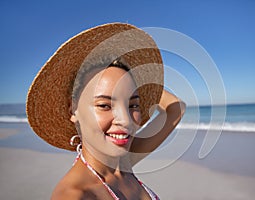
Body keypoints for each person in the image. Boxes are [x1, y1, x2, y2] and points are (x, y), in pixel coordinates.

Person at [26, 23, 185, 200]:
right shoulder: (75, 195)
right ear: (73, 110)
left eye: (133, 105)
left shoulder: (121, 163)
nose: (125, 120)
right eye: (105, 105)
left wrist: (138, 80)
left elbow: (176, 108)